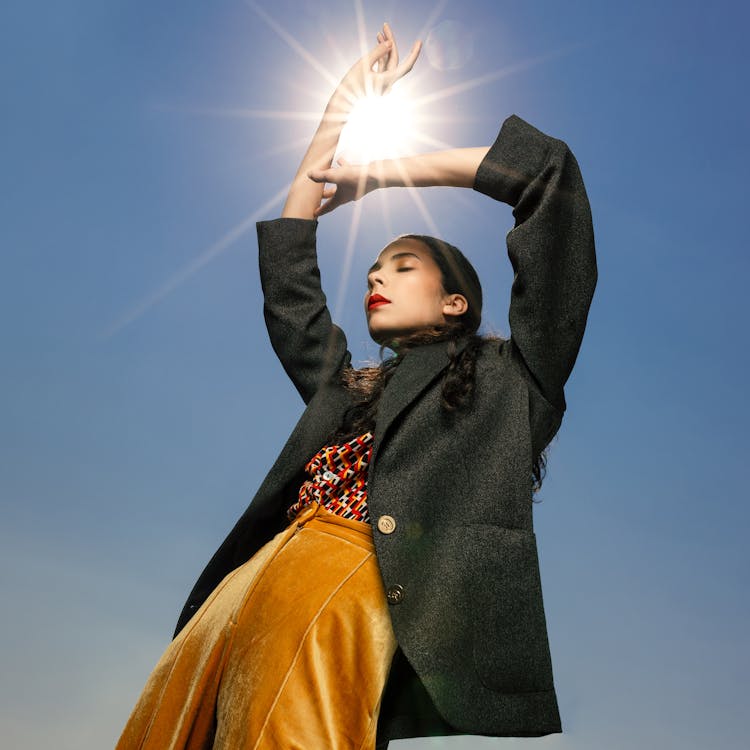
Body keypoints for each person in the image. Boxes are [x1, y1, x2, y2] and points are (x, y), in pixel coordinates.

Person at [116, 22, 596, 750]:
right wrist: (340, 105)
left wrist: (389, 173)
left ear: (455, 303)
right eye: (374, 265)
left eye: (403, 265)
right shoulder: (348, 389)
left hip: (347, 587)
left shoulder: (514, 385)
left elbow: (550, 180)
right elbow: (291, 282)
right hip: (242, 590)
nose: (376, 275)